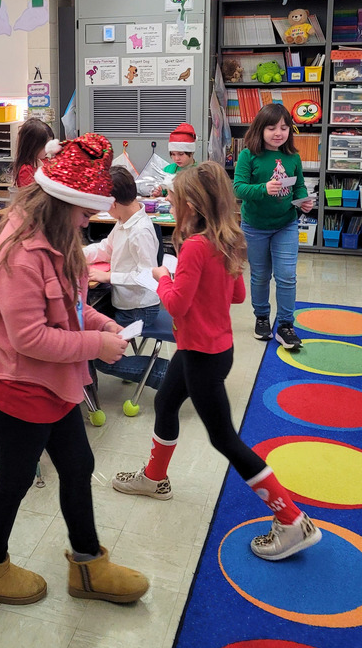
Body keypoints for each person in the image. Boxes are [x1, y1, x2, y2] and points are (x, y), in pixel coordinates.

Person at [0, 133, 149, 605]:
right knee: (15, 478)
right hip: (17, 383)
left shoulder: (59, 237)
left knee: (78, 464)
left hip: (50, 380)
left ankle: (88, 567)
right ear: (63, 202)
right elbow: (30, 337)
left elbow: (71, 307)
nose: (90, 221)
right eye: (86, 213)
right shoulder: (22, 252)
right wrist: (96, 344)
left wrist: (104, 323)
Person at [113, 162, 322, 562]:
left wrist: (162, 275)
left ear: (189, 204)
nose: (168, 203)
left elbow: (175, 303)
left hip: (202, 354)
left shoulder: (193, 246)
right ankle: (155, 478)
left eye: (172, 197)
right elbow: (238, 296)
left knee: (223, 438)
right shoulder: (227, 240)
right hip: (210, 348)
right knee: (166, 401)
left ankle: (292, 519)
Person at [233, 103, 314, 349]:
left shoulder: (293, 157)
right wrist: (263, 188)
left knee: (287, 276)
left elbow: (298, 186)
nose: (278, 133)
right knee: (260, 276)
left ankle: (286, 325)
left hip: (286, 224)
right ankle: (261, 318)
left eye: (284, 127)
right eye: (271, 128)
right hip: (255, 226)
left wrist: (303, 202)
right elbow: (238, 188)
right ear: (260, 129)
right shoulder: (248, 155)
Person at [83, 166, 167, 384]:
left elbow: (147, 276)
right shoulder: (124, 222)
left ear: (112, 203)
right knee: (93, 325)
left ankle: (167, 373)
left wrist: (108, 276)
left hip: (139, 309)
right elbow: (106, 248)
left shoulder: (140, 230)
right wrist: (78, 255)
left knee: (101, 357)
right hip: (126, 303)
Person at [152, 123, 197, 196]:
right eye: (173, 154)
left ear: (191, 153)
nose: (176, 158)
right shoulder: (167, 170)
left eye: (181, 154)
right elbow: (164, 193)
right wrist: (159, 193)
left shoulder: (198, 172)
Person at [11, 118, 53, 188]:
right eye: (45, 146)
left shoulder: (44, 160)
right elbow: (31, 195)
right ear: (33, 146)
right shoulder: (26, 170)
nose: (48, 149)